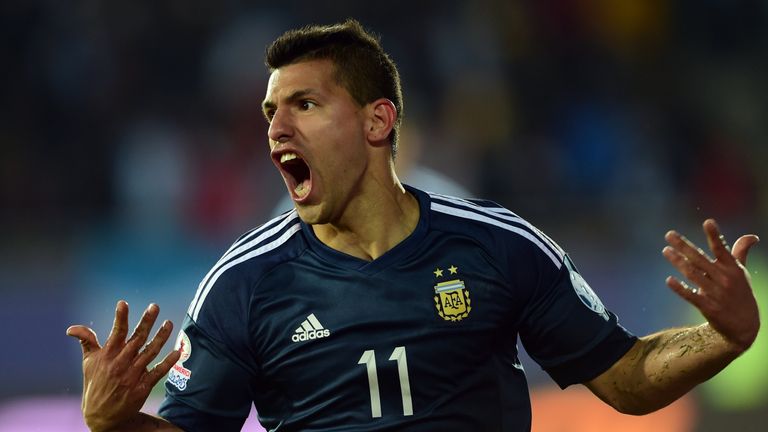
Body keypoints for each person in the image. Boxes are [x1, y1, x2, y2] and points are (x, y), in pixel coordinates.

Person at [66, 19, 761, 432]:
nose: (275, 126)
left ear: (378, 121)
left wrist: (726, 338)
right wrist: (113, 422)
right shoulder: (243, 284)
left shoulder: (498, 246)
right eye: (270, 111)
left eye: (303, 104)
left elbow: (626, 376)